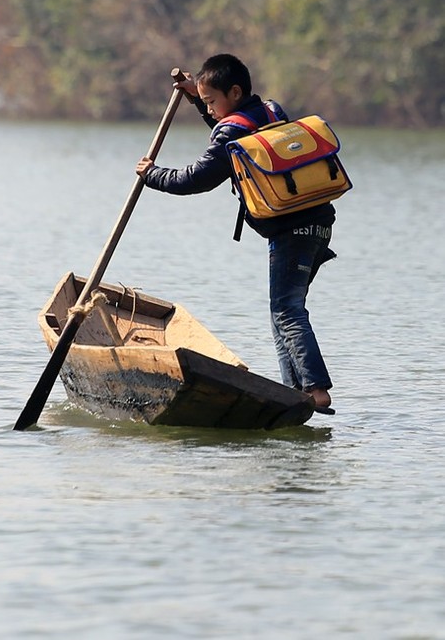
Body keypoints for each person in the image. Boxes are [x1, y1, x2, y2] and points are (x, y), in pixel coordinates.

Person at [136, 53, 337, 414]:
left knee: (287, 310)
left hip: (292, 230)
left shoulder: (233, 129)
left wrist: (152, 174)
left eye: (213, 102)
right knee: (283, 310)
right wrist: (198, 99)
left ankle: (316, 389)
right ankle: (296, 390)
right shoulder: (271, 112)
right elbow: (232, 144)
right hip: (319, 222)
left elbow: (198, 177)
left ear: (235, 91)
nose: (211, 111)